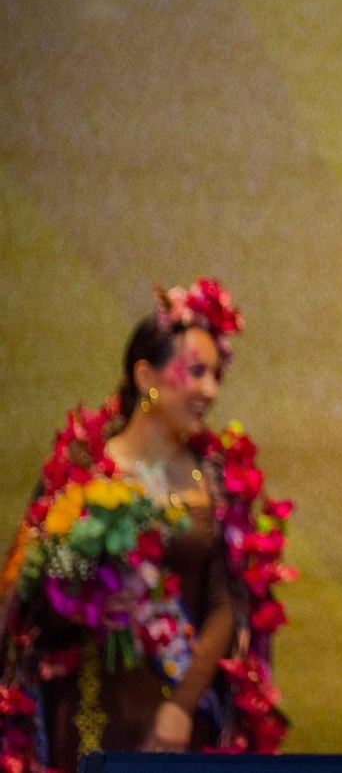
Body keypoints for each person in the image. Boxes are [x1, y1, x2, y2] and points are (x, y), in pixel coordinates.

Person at [0, 280, 291, 770]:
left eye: (216, 375)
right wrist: (82, 598)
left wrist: (182, 707)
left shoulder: (215, 478)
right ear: (145, 376)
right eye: (196, 372)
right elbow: (32, 603)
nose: (210, 390)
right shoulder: (82, 471)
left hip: (182, 721)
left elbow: (226, 605)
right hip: (92, 711)